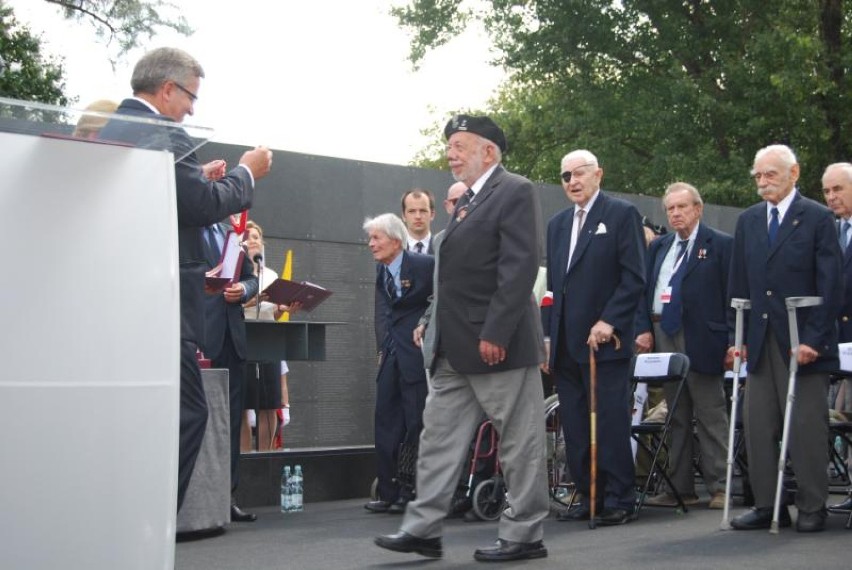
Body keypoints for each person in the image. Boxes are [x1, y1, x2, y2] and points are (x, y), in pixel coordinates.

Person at [97, 47, 273, 512]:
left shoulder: (117, 127)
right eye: (191, 97)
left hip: (124, 297)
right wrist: (244, 173)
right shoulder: (160, 132)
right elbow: (199, 207)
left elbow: (173, 196)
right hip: (161, 302)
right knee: (186, 413)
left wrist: (196, 174)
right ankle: (147, 526)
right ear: (168, 89)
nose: (193, 109)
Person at [375, 114, 549, 563]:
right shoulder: (467, 202)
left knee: (519, 441)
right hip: (452, 347)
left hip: (497, 344)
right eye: (449, 145)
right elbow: (452, 279)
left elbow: (519, 266)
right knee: (437, 439)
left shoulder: (514, 190)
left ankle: (525, 533)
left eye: (459, 145)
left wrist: (496, 330)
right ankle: (423, 529)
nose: (450, 153)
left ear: (488, 151)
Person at [727, 144, 842, 532]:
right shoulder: (749, 221)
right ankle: (765, 503)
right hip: (759, 339)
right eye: (757, 176)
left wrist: (815, 338)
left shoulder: (817, 218)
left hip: (802, 342)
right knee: (757, 425)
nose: (763, 182)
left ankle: (812, 505)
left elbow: (831, 285)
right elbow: (738, 284)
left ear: (793, 174)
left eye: (770, 175)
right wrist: (736, 336)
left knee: (806, 426)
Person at [545, 149, 646, 526]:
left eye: (579, 173)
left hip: (604, 342)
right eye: (565, 176)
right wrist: (547, 337)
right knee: (573, 424)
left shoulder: (620, 214)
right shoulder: (556, 225)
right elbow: (553, 289)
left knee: (608, 421)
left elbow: (634, 277)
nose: (572, 181)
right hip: (567, 345)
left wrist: (610, 321)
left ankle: (620, 498)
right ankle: (590, 496)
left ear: (598, 174)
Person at [635, 182, 732, 510]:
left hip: (703, 336)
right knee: (675, 413)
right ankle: (679, 486)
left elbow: (731, 298)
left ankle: (722, 486)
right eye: (670, 209)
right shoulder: (659, 247)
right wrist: (644, 330)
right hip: (664, 331)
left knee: (710, 412)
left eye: (682, 207)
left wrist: (733, 342)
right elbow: (645, 291)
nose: (676, 214)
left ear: (698, 209)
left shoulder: (719, 245)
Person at [364, 213, 434, 514]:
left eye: (376, 238)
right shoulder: (381, 272)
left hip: (417, 356)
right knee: (385, 420)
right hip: (392, 355)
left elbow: (438, 299)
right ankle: (388, 491)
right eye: (370, 238)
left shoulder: (423, 264)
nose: (371, 244)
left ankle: (412, 489)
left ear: (395, 240)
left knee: (416, 423)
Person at [199, 217, 259, 522]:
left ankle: (227, 496)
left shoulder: (230, 233)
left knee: (231, 421)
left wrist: (243, 289)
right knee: (197, 421)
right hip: (197, 338)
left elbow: (251, 278)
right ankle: (196, 499)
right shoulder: (185, 228)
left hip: (231, 341)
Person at [241, 220, 294, 452]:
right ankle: (243, 465)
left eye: (256, 236)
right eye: (248, 236)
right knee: (243, 405)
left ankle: (265, 460)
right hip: (243, 340)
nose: (253, 240)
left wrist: (283, 307)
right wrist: (257, 298)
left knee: (269, 404)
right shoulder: (235, 272)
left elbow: (271, 308)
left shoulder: (271, 274)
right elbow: (231, 304)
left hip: (269, 341)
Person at [821, 162, 852, 515]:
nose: (831, 197)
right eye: (827, 191)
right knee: (843, 415)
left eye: (838, 189)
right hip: (839, 342)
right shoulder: (831, 230)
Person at [401, 189, 436, 253]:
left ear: (432, 214)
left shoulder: (442, 249)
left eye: (423, 211)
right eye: (412, 211)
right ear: (403, 216)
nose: (418, 216)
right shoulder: (395, 253)